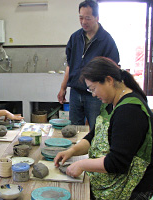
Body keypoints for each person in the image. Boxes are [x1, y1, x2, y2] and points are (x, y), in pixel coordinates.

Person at [54, 57, 153, 200]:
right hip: (112, 176)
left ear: (109, 80)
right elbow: (95, 135)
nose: (93, 94)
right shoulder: (112, 102)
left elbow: (117, 162)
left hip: (131, 187)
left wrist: (82, 164)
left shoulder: (130, 111)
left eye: (93, 88)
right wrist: (72, 151)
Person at [57, 0, 120, 130]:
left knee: (97, 129)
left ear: (97, 18)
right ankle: (76, 151)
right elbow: (70, 65)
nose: (83, 22)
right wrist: (63, 87)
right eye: (81, 18)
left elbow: (114, 70)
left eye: (88, 18)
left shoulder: (107, 40)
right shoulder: (75, 38)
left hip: (96, 95)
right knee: (73, 129)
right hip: (75, 91)